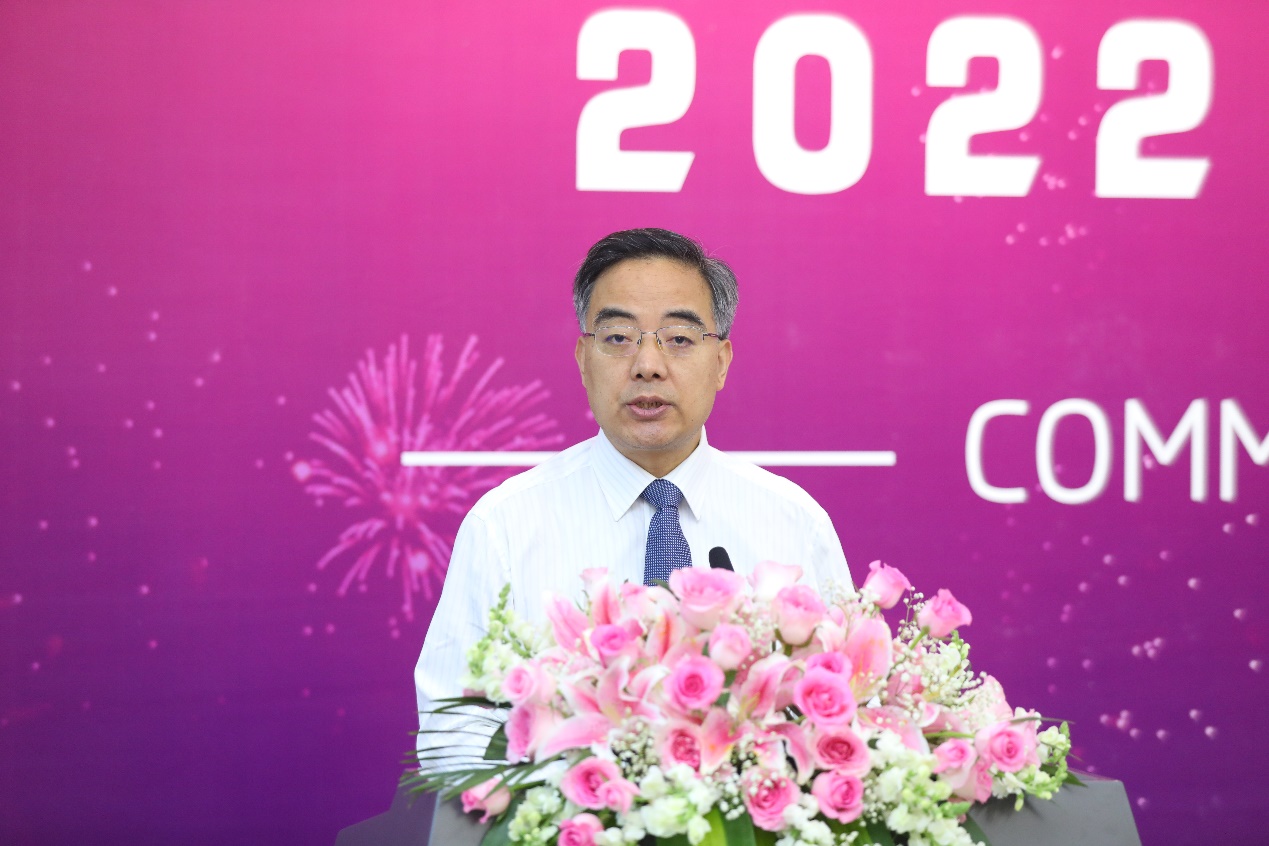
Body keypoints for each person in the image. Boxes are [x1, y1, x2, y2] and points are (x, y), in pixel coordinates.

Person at [413, 227, 850, 759]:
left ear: (721, 362)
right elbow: (452, 732)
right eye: (618, 337)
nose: (648, 365)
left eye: (679, 339)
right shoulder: (505, 525)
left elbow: (846, 711)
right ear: (583, 358)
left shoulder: (793, 523)